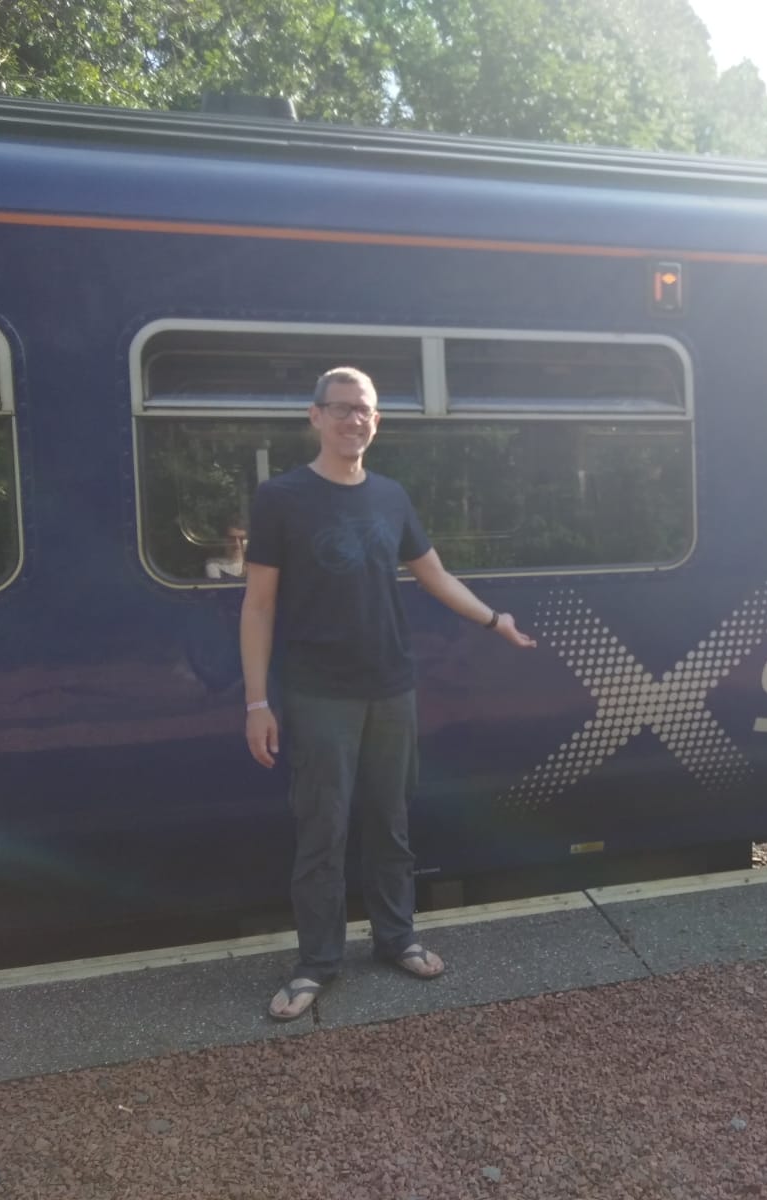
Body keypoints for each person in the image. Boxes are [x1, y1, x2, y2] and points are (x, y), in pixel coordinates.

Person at [241, 366, 536, 1021]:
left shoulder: (391, 496)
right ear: (315, 416)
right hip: (318, 693)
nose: (354, 420)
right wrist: (257, 703)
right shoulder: (281, 499)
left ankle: (395, 937)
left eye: (365, 410)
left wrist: (495, 620)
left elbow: (435, 576)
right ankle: (317, 962)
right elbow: (258, 606)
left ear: (376, 421)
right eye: (341, 408)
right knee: (322, 831)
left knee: (390, 823)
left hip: (392, 687)